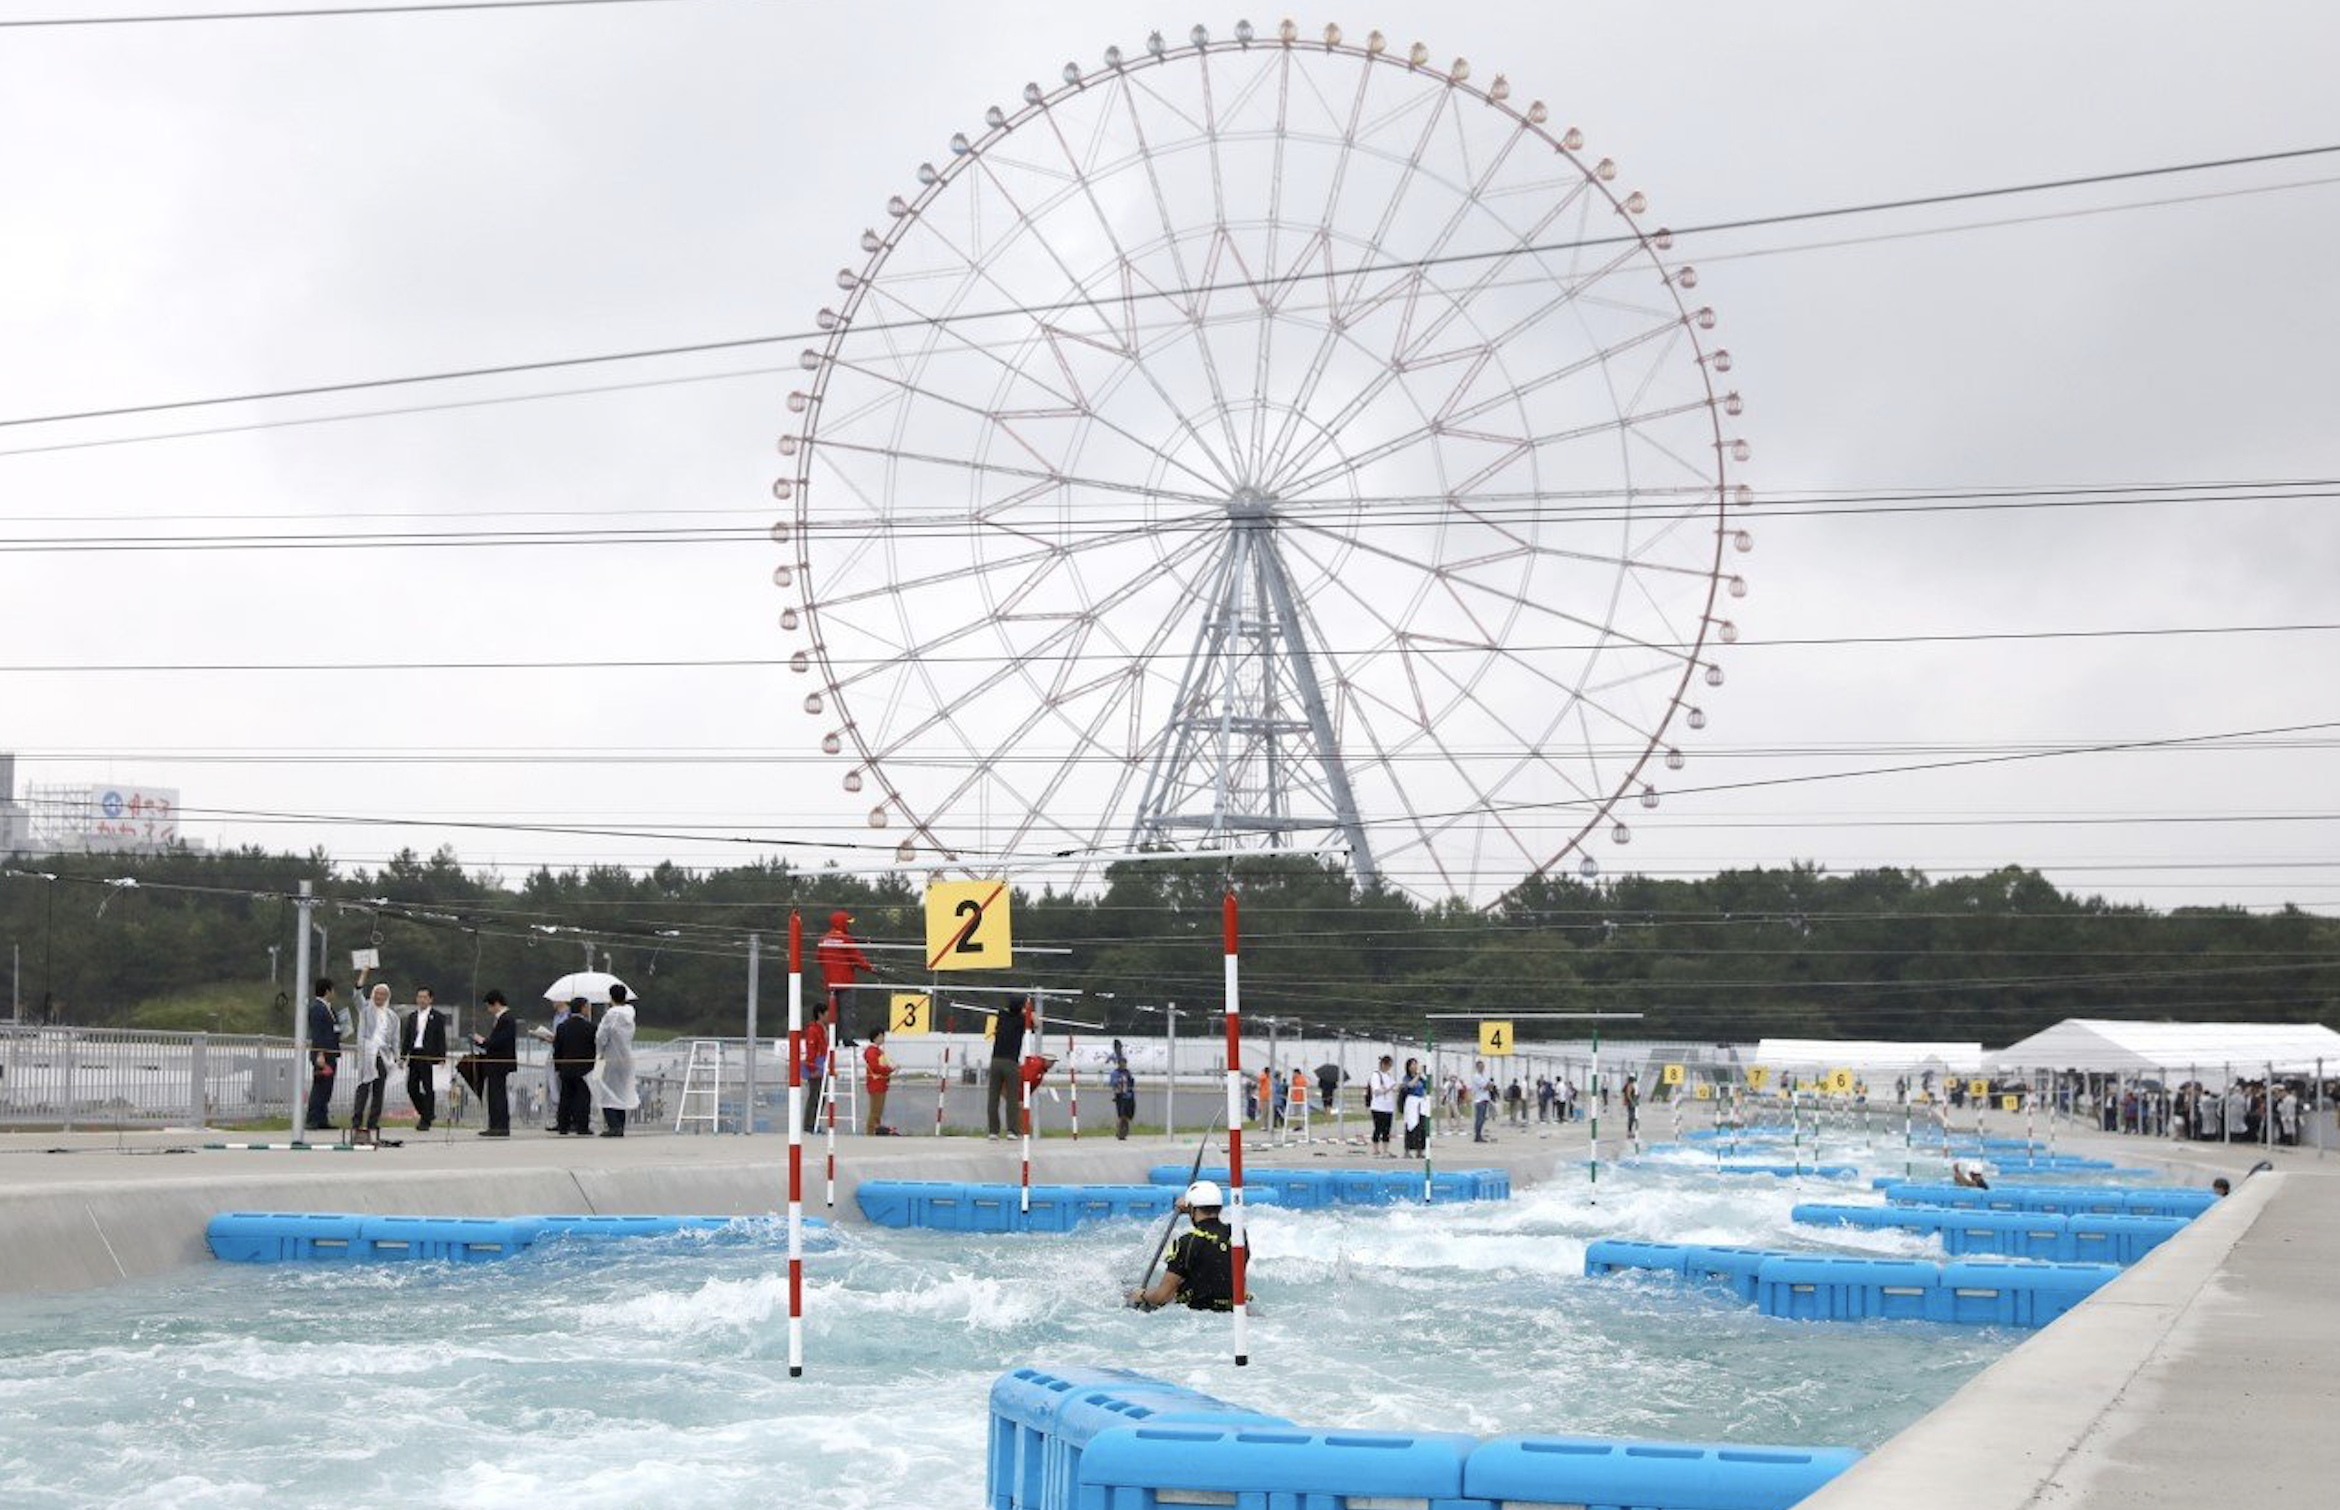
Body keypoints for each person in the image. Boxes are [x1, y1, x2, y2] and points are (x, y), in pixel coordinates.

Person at [1125, 1180, 1240, 1313]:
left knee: (1138, 1299)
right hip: (1233, 1310)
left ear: (1191, 1208)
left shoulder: (1187, 1242)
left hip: (1195, 1314)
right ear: (1220, 1207)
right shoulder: (1237, 1235)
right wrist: (1192, 1207)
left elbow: (1162, 1296)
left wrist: (1141, 1294)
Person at [348, 980, 399, 1143]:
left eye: (383, 994)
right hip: (367, 1054)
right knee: (363, 1088)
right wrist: (362, 978)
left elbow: (395, 1039)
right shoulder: (365, 1009)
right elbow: (357, 996)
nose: (380, 997)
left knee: (379, 1091)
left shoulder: (392, 1017)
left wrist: (397, 1055)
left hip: (382, 1056)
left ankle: (372, 1123)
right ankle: (356, 1123)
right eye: (377, 993)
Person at [817, 910, 875, 1046]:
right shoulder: (845, 939)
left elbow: (819, 959)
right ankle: (847, 1038)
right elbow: (856, 958)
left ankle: (833, 1039)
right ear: (841, 923)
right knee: (847, 1012)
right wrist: (870, 967)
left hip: (830, 983)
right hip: (846, 982)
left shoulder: (823, 939)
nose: (849, 926)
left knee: (832, 1012)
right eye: (847, 923)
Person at [590, 984, 638, 1137]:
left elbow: (601, 1036)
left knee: (605, 1092)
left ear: (611, 997)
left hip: (609, 1057)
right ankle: (620, 1126)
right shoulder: (630, 1013)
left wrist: (599, 1050)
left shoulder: (611, 1014)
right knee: (621, 1093)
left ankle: (613, 1125)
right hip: (626, 1057)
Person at [985, 995, 1033, 1140]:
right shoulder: (1021, 1020)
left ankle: (993, 1131)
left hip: (995, 1061)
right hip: (1011, 1063)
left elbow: (1005, 1009)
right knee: (1012, 1098)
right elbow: (1036, 1024)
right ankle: (1012, 1131)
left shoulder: (1002, 1016)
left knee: (993, 1098)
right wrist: (1030, 1010)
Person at [471, 990, 517, 1136]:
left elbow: (500, 1041)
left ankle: (500, 1126)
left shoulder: (506, 1019)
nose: (488, 1010)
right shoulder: (502, 1018)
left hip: (500, 1062)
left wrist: (483, 1041)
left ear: (496, 1003)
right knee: (494, 1093)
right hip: (495, 1062)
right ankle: (495, 1124)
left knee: (497, 1094)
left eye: (489, 1006)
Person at [402, 986, 446, 1133]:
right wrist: (403, 1056)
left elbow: (441, 1038)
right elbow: (407, 1038)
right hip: (414, 1055)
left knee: (428, 1088)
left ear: (430, 999)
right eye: (419, 997)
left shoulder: (437, 1016)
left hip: (429, 1055)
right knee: (411, 1087)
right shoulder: (412, 1016)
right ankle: (427, 1113)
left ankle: (425, 1120)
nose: (421, 1000)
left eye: (424, 997)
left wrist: (441, 1057)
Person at [551, 996, 597, 1136]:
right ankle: (582, 1126)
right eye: (588, 1007)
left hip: (566, 1068)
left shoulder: (562, 1027)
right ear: (583, 1008)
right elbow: (594, 1049)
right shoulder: (591, 1028)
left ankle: (563, 1125)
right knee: (582, 1098)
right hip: (584, 1069)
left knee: (565, 1097)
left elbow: (557, 1049)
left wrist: (558, 1067)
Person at [303, 977, 341, 1132]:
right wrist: (319, 1054)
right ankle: (312, 1119)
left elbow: (332, 1029)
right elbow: (317, 1033)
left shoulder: (329, 1008)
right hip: (322, 1054)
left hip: (331, 1052)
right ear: (327, 991)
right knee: (319, 1086)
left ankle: (322, 1118)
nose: (334, 993)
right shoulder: (317, 1008)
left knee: (326, 1088)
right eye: (332, 990)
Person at [802, 1000, 833, 1134]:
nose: (829, 1016)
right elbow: (811, 1050)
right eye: (827, 1014)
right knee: (814, 1096)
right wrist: (812, 1068)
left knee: (821, 1096)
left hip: (823, 1064)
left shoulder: (824, 1029)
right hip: (815, 1065)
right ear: (820, 1014)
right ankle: (809, 1125)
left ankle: (814, 1123)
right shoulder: (813, 1030)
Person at [862, 1027, 895, 1134]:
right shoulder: (871, 1051)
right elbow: (875, 1067)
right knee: (875, 1110)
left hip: (881, 1083)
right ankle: (870, 1131)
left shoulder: (878, 1051)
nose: (883, 1039)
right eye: (881, 1036)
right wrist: (888, 1069)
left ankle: (876, 1130)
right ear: (876, 1037)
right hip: (875, 1083)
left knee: (878, 1110)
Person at [1367, 1055, 1396, 1156]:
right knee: (1378, 1128)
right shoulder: (1376, 1075)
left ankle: (1385, 1150)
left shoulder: (1388, 1075)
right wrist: (1389, 1088)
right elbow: (1376, 1091)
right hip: (1378, 1107)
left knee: (1387, 1129)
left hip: (1388, 1107)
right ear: (1383, 1064)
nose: (1389, 1067)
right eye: (1388, 1065)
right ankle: (1375, 1149)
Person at [1401, 1057, 1429, 1156]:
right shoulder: (1407, 1077)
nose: (1415, 1066)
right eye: (1412, 1064)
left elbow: (1427, 1087)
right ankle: (1407, 1150)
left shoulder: (1421, 1077)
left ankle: (1420, 1150)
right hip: (1411, 1103)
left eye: (1416, 1064)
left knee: (1421, 1127)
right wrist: (1417, 1075)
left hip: (1420, 1103)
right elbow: (1409, 1086)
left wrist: (1423, 1076)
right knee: (1410, 1126)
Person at [1108, 1046, 1138, 1141]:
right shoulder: (1115, 1073)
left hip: (1129, 1096)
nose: (1123, 1065)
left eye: (1125, 1063)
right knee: (1121, 1116)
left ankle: (1124, 1133)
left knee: (1128, 1116)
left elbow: (1131, 1083)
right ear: (1119, 1064)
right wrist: (1120, 1081)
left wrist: (1130, 1082)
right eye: (1122, 1063)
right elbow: (1112, 1083)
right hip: (1120, 1096)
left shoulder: (1127, 1072)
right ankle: (1120, 1133)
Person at [1469, 1059, 1496, 1143]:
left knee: (1483, 1119)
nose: (1482, 1068)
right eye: (1480, 1067)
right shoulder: (1476, 1076)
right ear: (1477, 1067)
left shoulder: (1483, 1076)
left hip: (1485, 1099)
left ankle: (1479, 1135)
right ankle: (1477, 1136)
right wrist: (1489, 1085)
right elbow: (1486, 1086)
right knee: (1479, 1119)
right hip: (1479, 1100)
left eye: (1483, 1066)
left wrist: (1489, 1085)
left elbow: (1491, 1086)